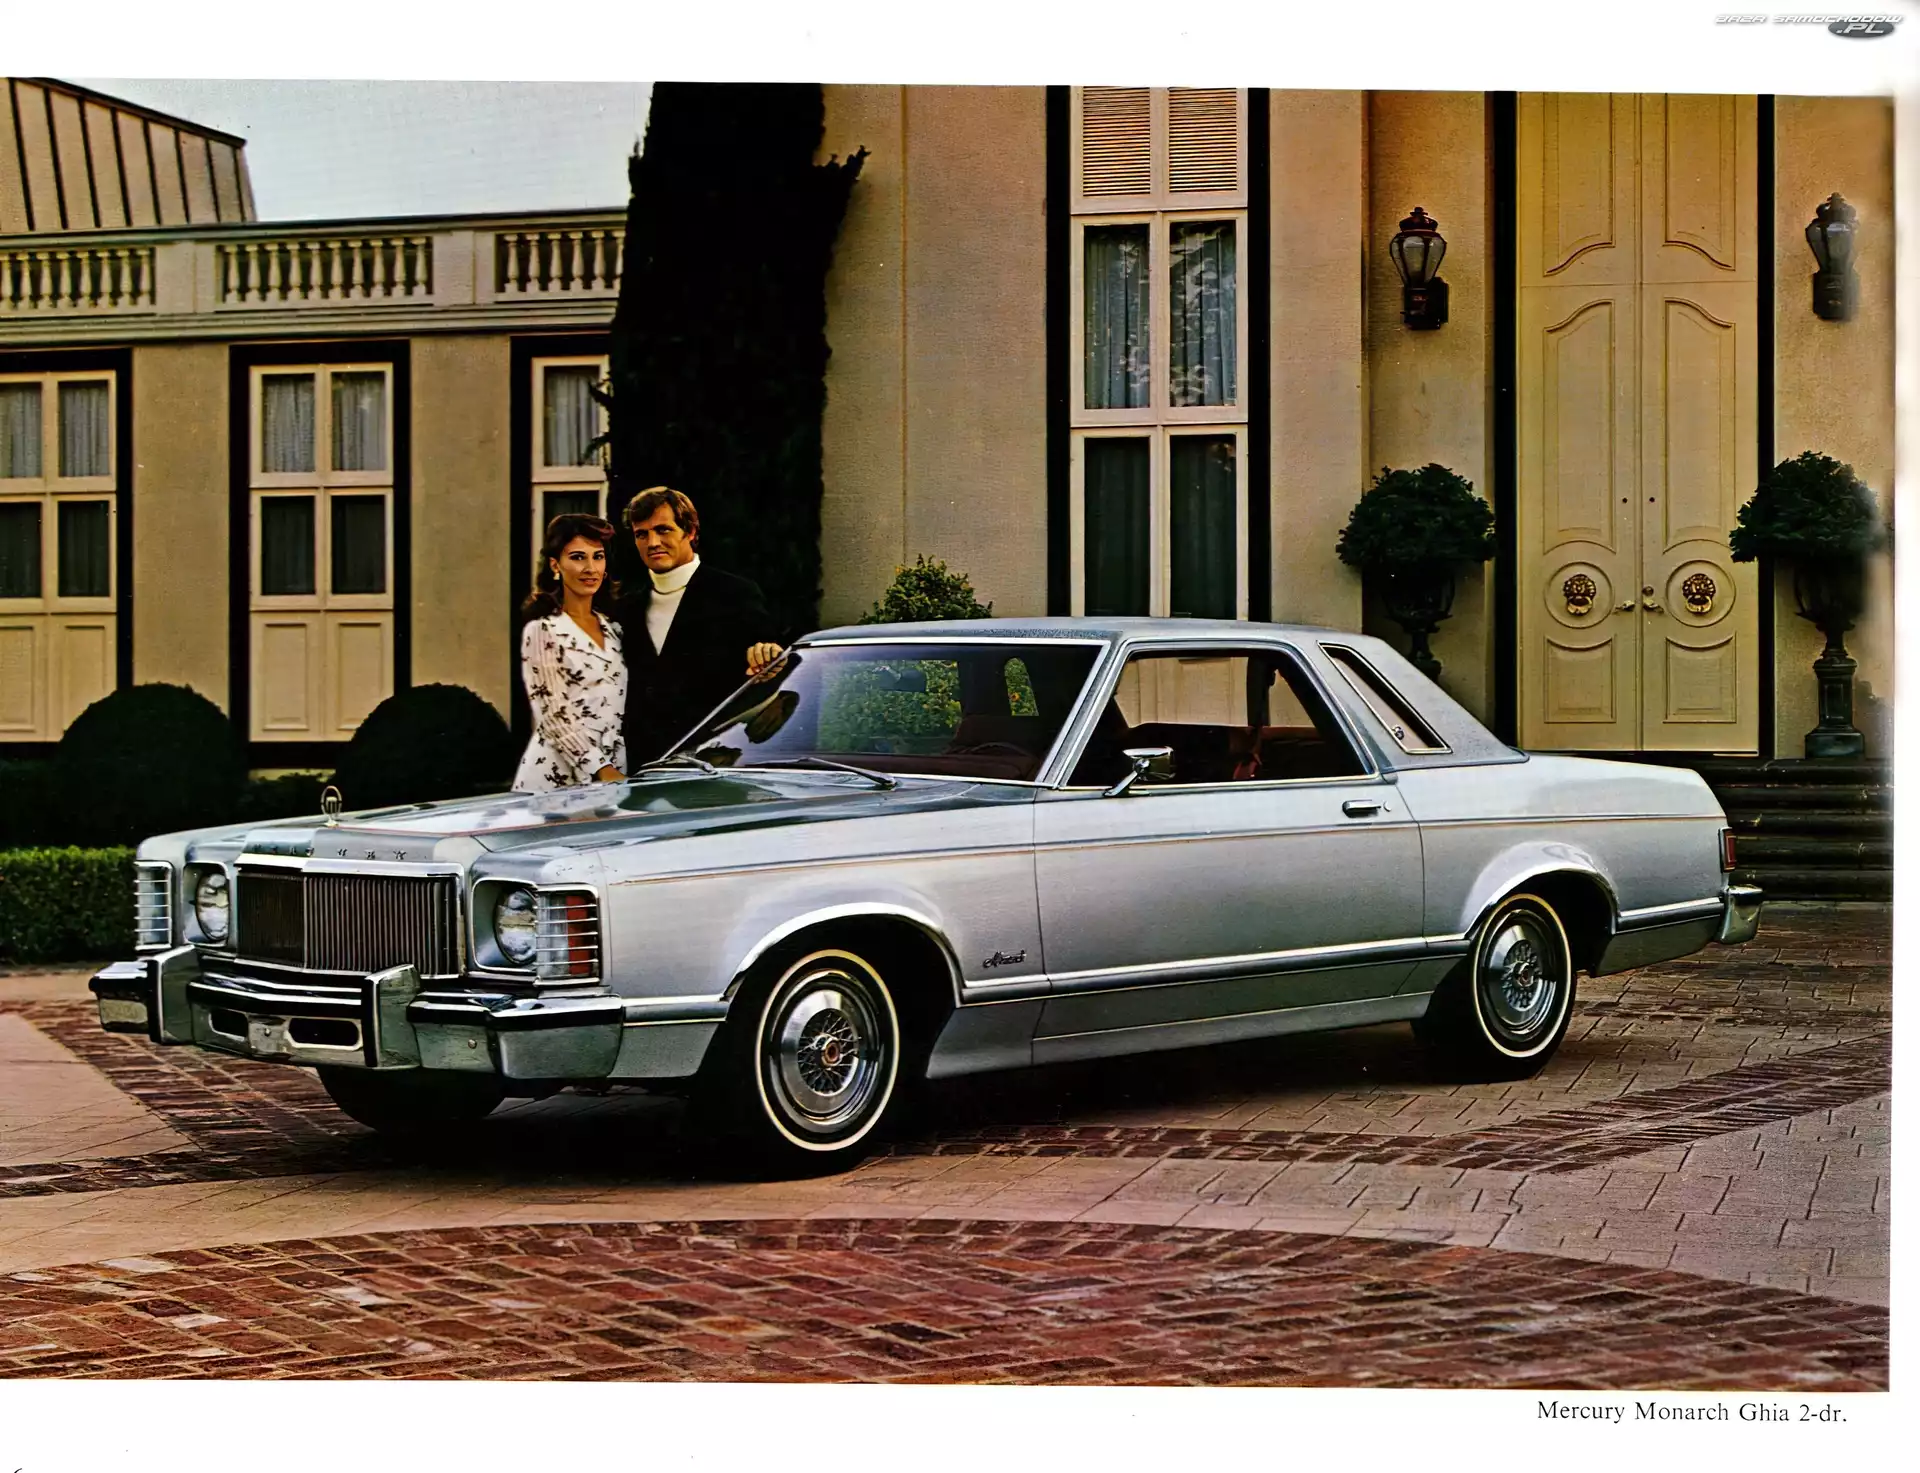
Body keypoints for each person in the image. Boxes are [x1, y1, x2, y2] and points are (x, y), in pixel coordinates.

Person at [614, 486, 784, 763]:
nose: (652, 542)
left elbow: (769, 669)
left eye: (663, 530)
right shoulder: (625, 608)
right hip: (641, 767)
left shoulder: (734, 594)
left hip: (714, 765)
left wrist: (769, 658)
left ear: (690, 532)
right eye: (641, 534)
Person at [513, 513, 628, 793]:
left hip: (614, 773)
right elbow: (554, 714)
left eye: (598, 557)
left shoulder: (614, 629)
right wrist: (601, 769)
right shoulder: (543, 630)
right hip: (557, 777)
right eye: (578, 557)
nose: (590, 568)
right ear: (556, 565)